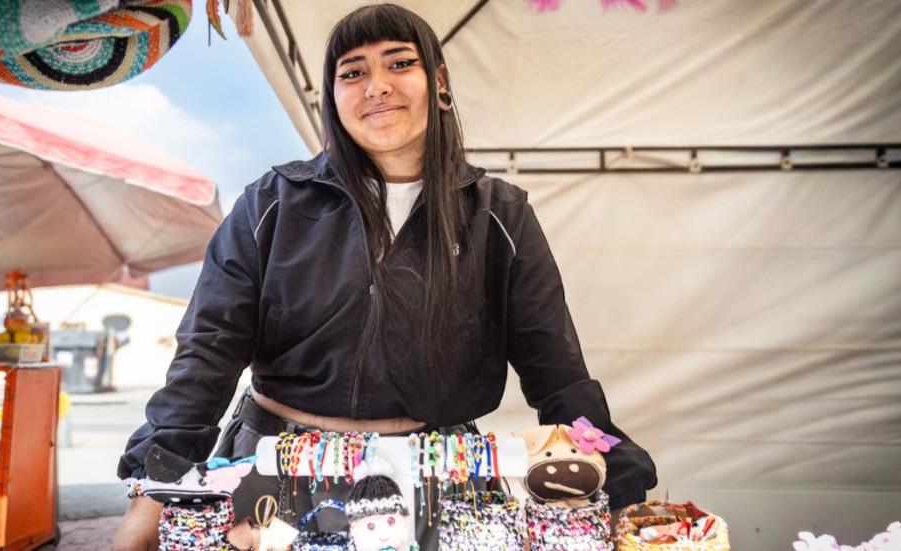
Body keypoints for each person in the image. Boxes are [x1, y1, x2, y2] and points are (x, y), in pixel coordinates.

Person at [113, 4, 657, 549]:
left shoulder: (499, 214)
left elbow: (556, 370)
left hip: (441, 479)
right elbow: (208, 351)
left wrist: (611, 472)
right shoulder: (270, 203)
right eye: (352, 72)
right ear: (333, 95)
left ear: (438, 81)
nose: (376, 87)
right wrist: (155, 484)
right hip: (273, 477)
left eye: (399, 64)